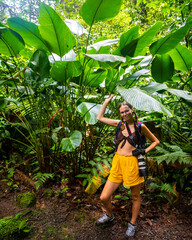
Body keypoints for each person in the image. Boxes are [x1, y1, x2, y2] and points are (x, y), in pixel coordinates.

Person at [96, 95, 160, 238]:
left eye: (126, 111)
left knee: (135, 196)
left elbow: (156, 141)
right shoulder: (119, 124)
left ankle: (132, 223)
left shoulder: (140, 126)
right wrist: (106, 101)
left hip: (132, 163)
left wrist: (143, 152)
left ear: (132, 110)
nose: (124, 114)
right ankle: (109, 215)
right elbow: (99, 118)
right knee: (104, 197)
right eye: (122, 112)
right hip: (118, 162)